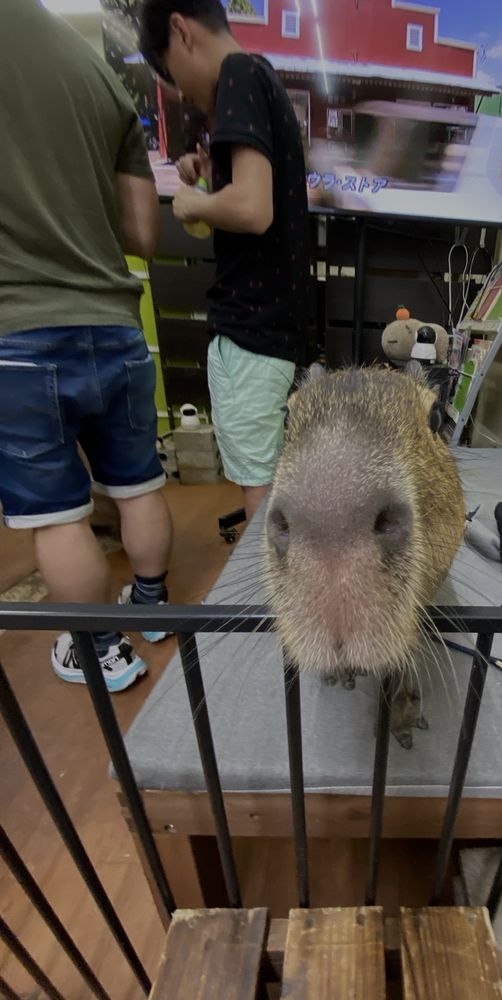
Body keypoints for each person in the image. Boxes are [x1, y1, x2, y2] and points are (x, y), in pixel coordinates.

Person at [0, 0, 173, 692]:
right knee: (138, 486)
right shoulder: (95, 71)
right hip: (116, 324)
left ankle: (100, 648)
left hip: (18, 328)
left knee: (58, 513)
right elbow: (143, 232)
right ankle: (157, 610)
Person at [139, 0, 311, 524]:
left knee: (260, 489)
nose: (179, 91)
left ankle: (269, 601)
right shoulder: (258, 75)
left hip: (251, 327)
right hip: (276, 324)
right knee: (278, 478)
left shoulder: (236, 74)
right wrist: (211, 168)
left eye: (170, 72)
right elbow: (260, 196)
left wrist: (192, 204)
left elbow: (253, 209)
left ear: (180, 31)